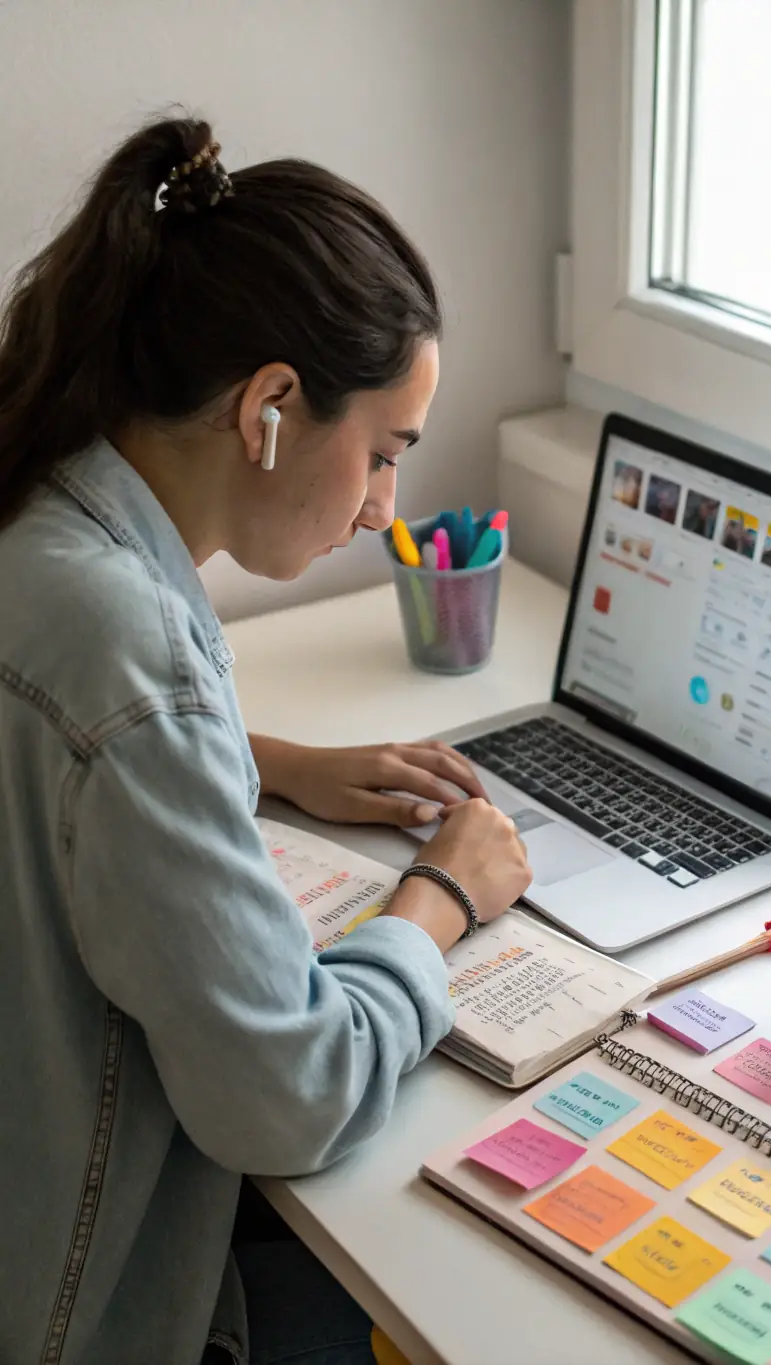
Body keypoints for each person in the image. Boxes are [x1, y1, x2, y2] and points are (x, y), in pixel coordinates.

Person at [0, 117, 532, 1365]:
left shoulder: (37, 500)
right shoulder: (132, 660)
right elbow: (288, 1100)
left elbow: (65, 732)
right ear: (272, 409)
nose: (385, 510)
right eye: (384, 455)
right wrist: (439, 899)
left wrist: (267, 759)